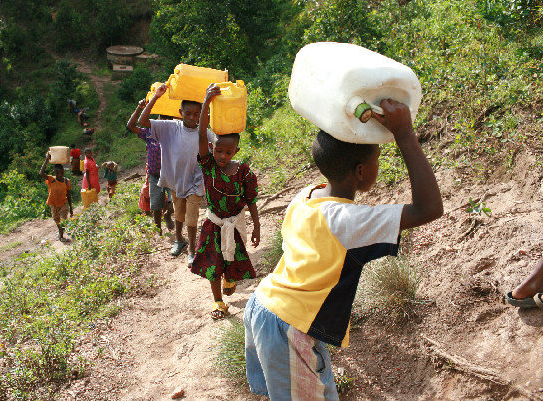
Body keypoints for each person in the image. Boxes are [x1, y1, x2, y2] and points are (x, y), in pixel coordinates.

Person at [243, 99, 443, 399]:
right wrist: (404, 136)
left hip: (266, 307)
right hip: (288, 327)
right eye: (378, 158)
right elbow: (429, 208)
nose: (379, 164)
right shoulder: (346, 221)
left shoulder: (306, 196)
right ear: (361, 171)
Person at [190, 83, 261, 320]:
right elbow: (201, 133)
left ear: (235, 151)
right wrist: (206, 103)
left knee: (231, 258)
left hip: (234, 223)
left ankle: (229, 278)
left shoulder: (244, 172)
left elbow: (250, 200)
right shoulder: (208, 165)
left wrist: (257, 227)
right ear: (212, 148)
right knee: (213, 263)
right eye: (218, 150)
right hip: (213, 224)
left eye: (227, 152)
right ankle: (218, 302)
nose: (222, 156)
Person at [138, 83, 215, 263]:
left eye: (197, 114)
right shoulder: (170, 127)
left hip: (196, 182)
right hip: (175, 181)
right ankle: (179, 240)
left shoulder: (205, 133)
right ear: (180, 113)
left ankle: (191, 249)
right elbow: (142, 122)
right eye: (188, 113)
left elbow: (218, 148)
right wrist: (155, 98)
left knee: (192, 216)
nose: (192, 118)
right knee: (179, 215)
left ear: (203, 114)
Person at [127, 99, 175, 234]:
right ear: (156, 120)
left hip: (171, 174)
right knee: (156, 205)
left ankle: (168, 215)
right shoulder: (149, 132)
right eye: (161, 119)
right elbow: (131, 125)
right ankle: (158, 229)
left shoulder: (174, 134)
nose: (163, 123)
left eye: (167, 120)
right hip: (155, 175)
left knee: (174, 203)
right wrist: (139, 107)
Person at [40, 151, 74, 242]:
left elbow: (69, 195)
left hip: (64, 203)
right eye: (57, 173)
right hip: (53, 204)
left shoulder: (67, 181)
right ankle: (60, 231)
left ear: (63, 172)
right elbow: (41, 174)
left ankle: (61, 235)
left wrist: (71, 208)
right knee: (56, 220)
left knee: (63, 220)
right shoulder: (51, 179)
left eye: (61, 173)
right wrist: (46, 160)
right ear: (54, 172)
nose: (60, 175)